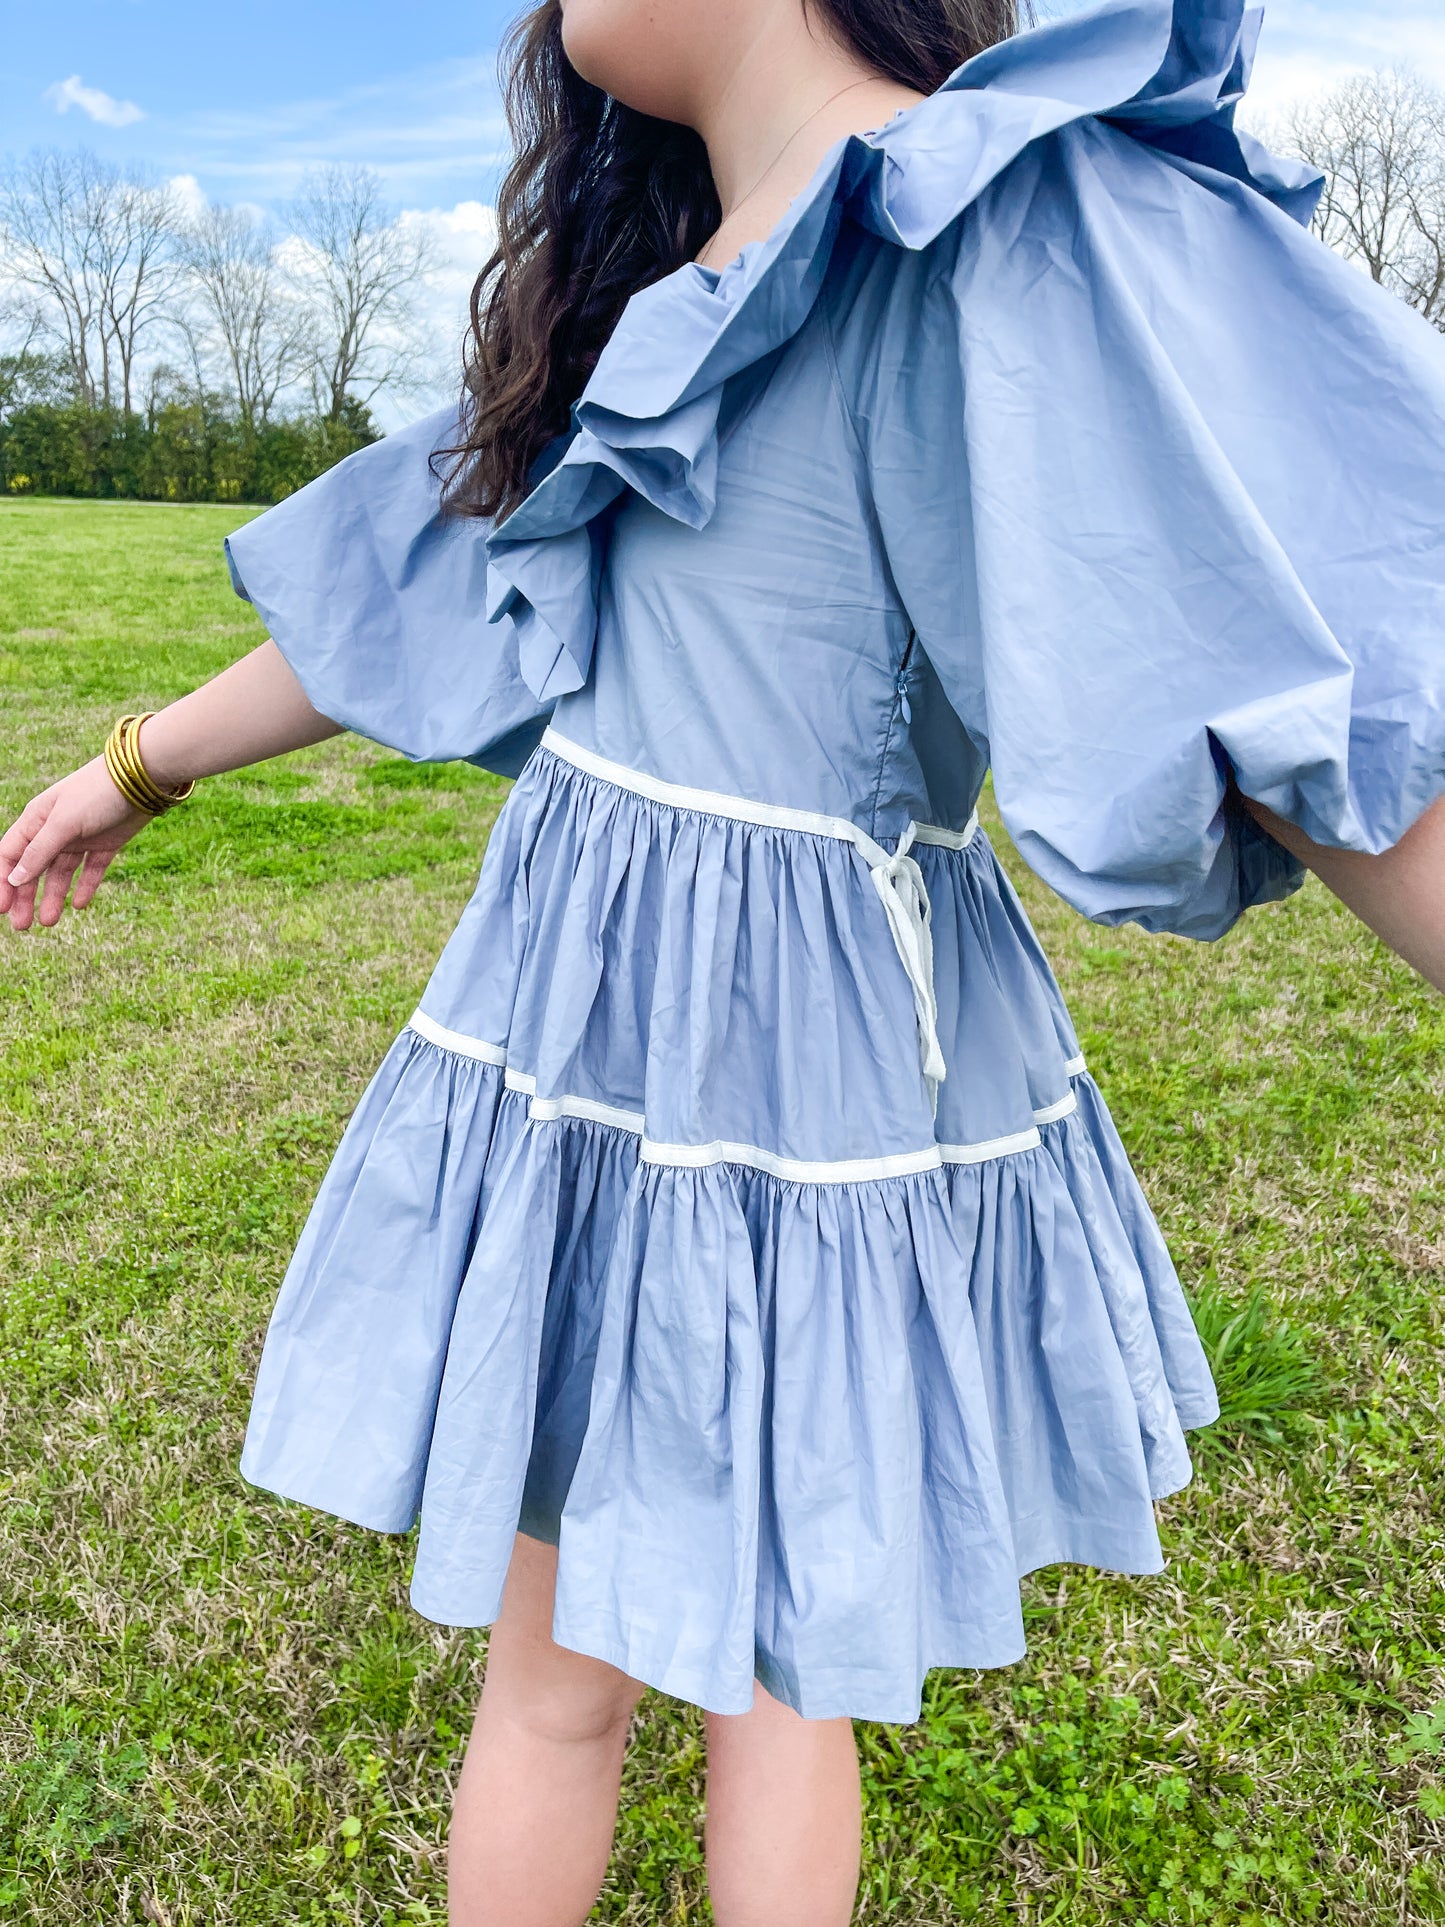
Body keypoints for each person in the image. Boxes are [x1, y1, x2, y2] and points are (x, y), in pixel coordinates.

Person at [4, 0, 1443, 1919]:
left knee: (773, 1670)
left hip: (813, 1078)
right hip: (588, 1058)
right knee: (562, 1680)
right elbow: (419, 583)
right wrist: (135, 768)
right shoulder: (635, 308)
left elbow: (1281, 644)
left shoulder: (989, 218)